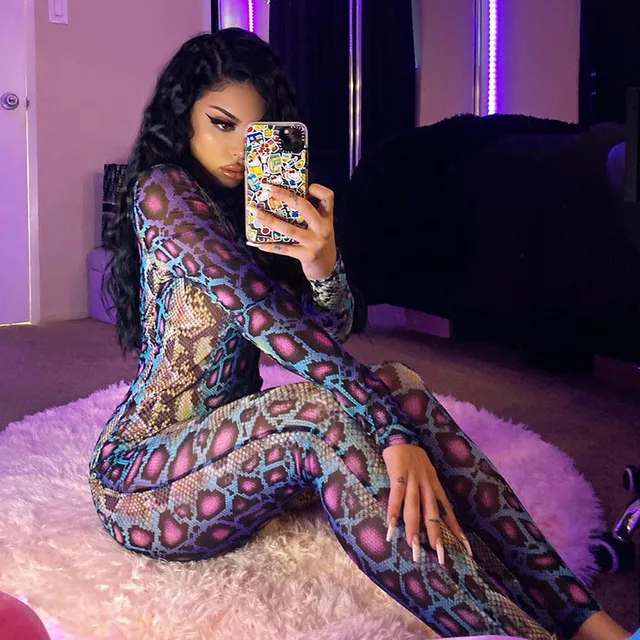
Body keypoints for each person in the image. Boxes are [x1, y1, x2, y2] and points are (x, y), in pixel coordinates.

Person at [89, 28, 631, 640]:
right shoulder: (163, 192)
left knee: (397, 384)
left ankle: (589, 622)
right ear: (181, 116)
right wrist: (391, 433)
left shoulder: (253, 207)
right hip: (143, 478)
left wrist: (323, 265)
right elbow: (268, 320)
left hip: (238, 450)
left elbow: (329, 331)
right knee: (328, 414)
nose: (240, 148)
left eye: (257, 130)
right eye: (221, 124)